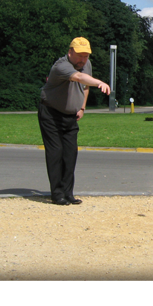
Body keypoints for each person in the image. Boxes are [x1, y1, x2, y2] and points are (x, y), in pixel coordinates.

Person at [38, 37, 111, 206]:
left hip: (70, 115)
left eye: (86, 56)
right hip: (50, 113)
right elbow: (79, 78)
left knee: (70, 154)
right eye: (79, 55)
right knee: (56, 152)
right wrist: (99, 82)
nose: (83, 60)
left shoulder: (87, 64)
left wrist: (82, 107)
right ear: (70, 52)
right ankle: (57, 194)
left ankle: (68, 193)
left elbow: (84, 87)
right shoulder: (61, 66)